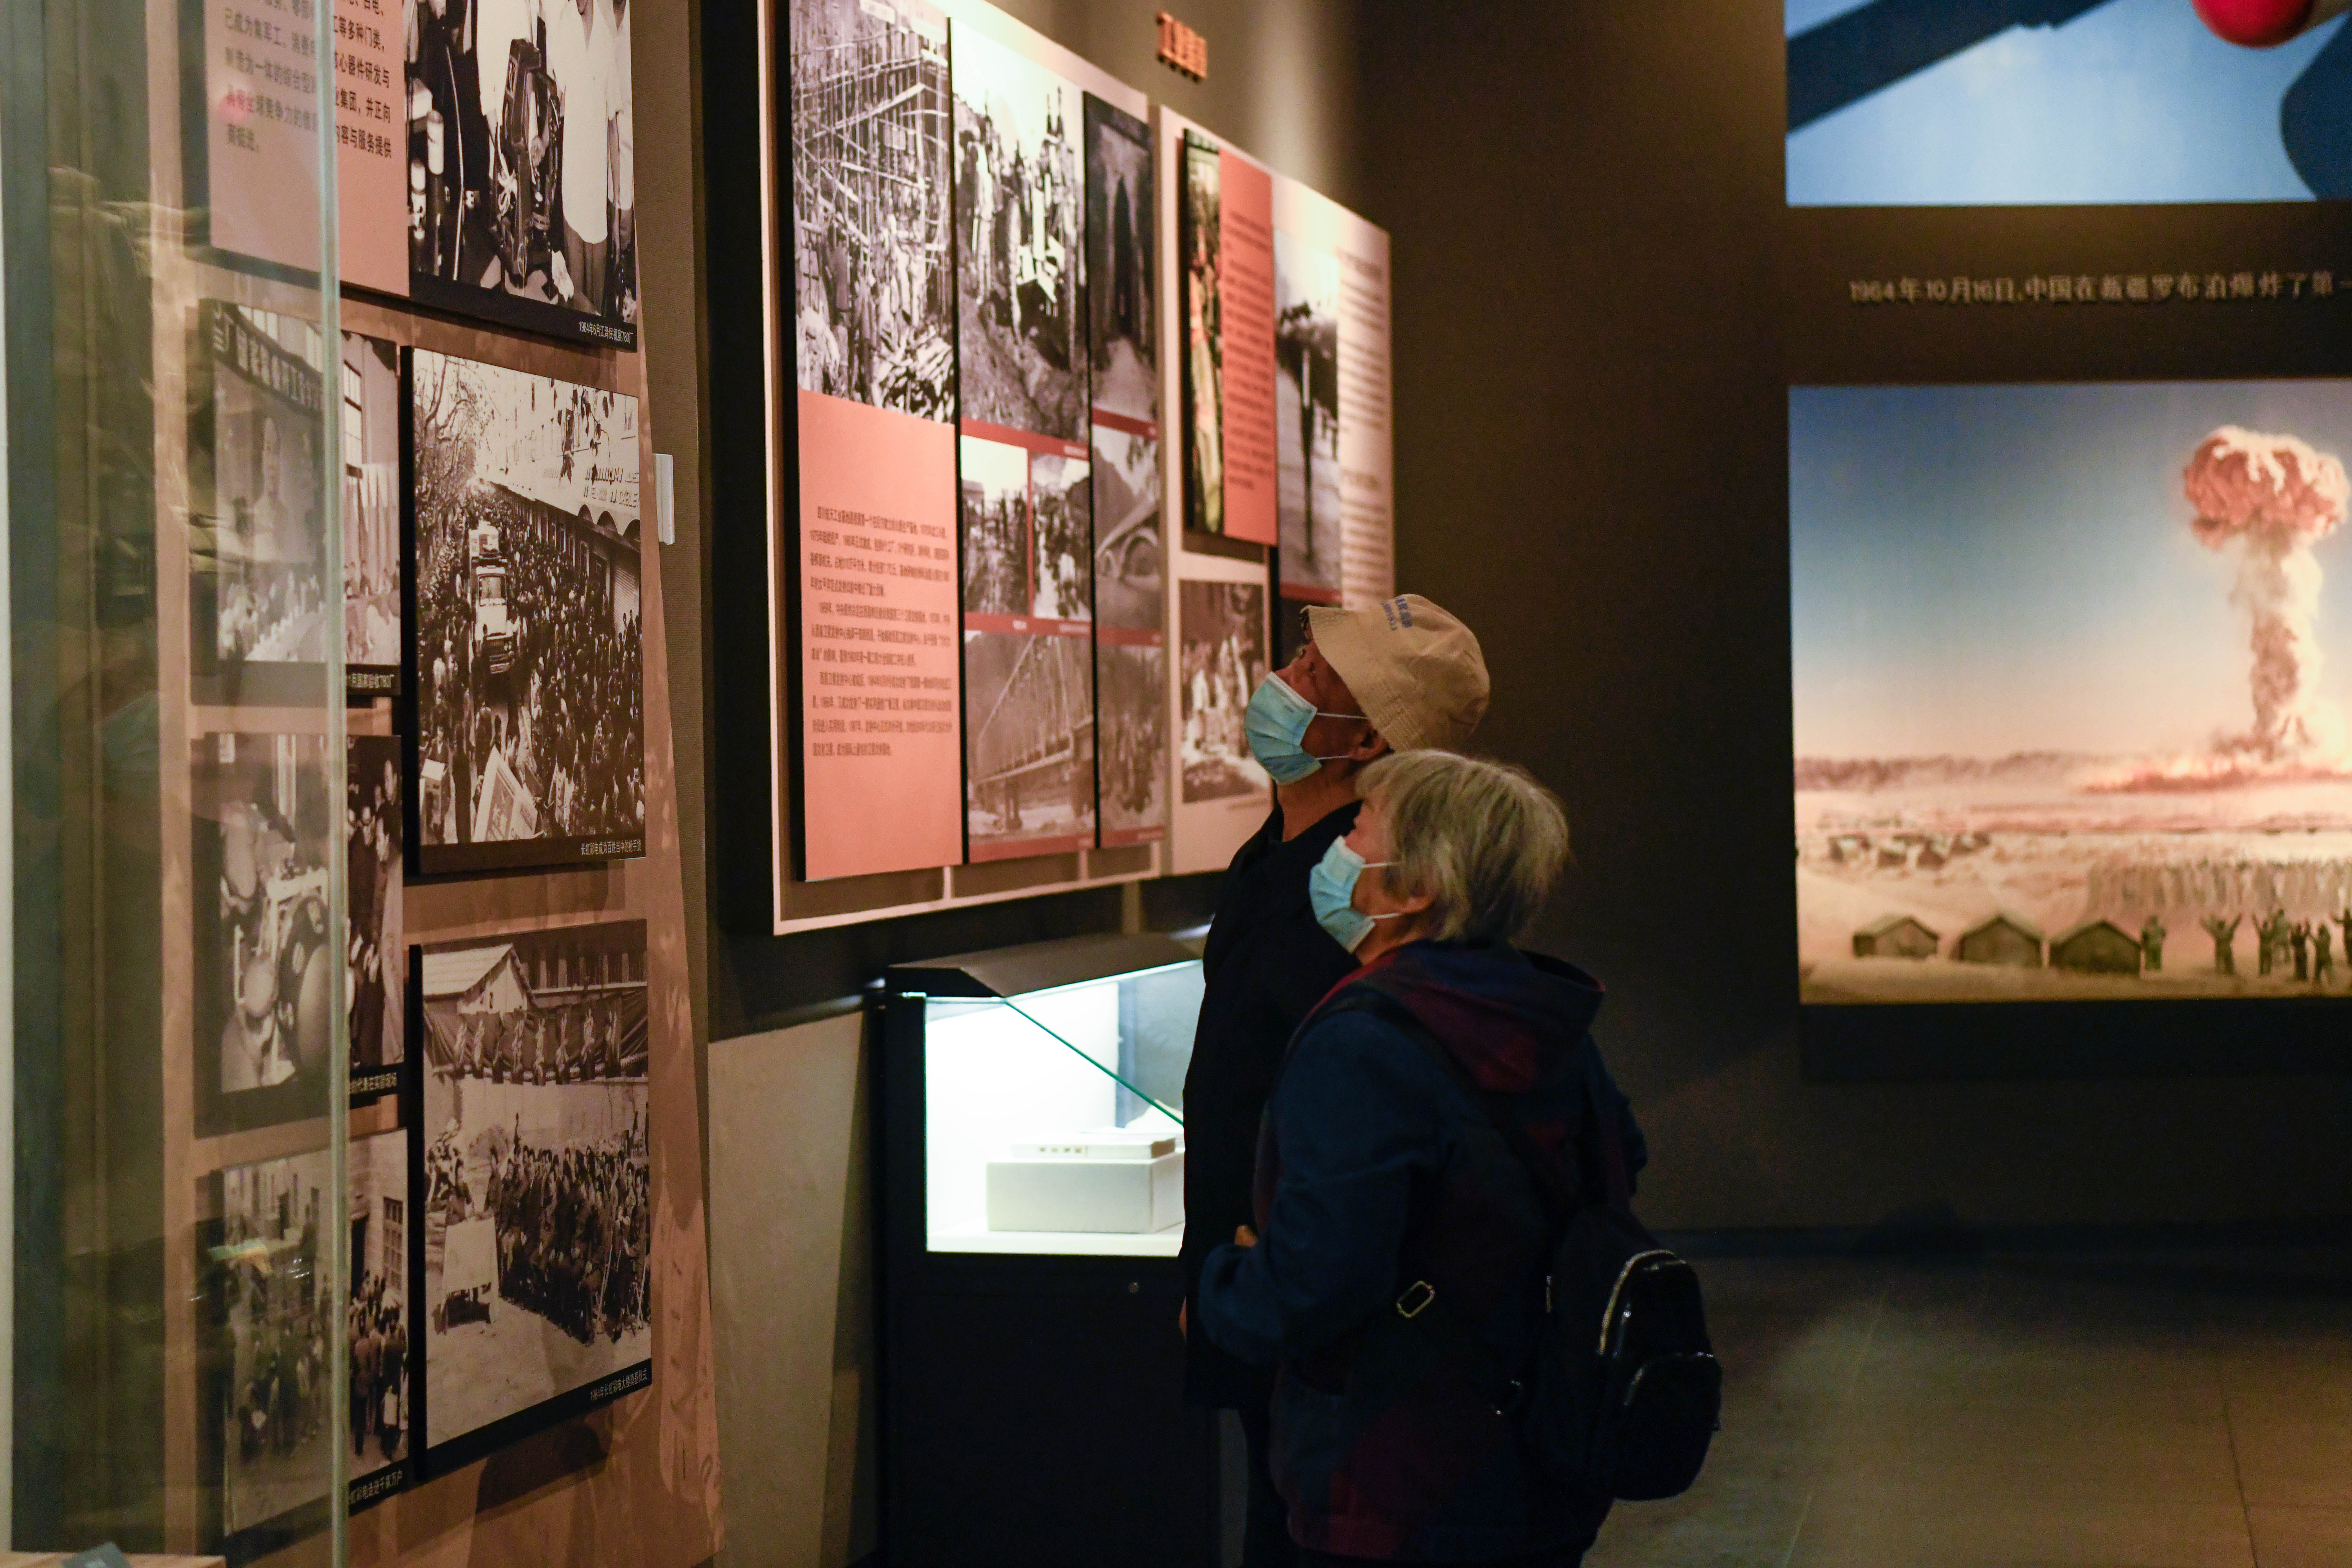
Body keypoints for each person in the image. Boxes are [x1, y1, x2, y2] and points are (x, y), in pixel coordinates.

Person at [1197, 750, 1642, 1566]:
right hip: (1537, 1446)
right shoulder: (1542, 1014)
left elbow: (1318, 1279)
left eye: (1360, 831)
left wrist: (1222, 1288)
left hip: (1397, 1475)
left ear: (1414, 889)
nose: (1339, 849)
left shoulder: (1366, 1043)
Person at [1180, 594, 1490, 1568]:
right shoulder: (1269, 862)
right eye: (1303, 656)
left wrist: (1255, 1281)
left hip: (1306, 1305)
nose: (1285, 679)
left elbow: (1352, 1127)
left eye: (1316, 677)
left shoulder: (1354, 898)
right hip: (1260, 1288)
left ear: (1365, 741)